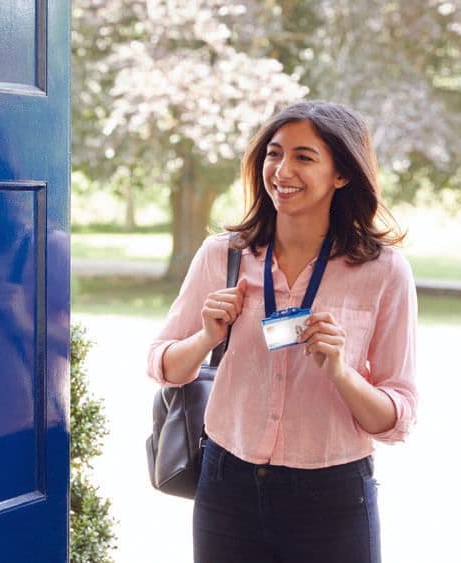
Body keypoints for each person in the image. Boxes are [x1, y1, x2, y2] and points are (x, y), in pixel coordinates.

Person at [147, 101, 418, 563]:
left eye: (304, 157)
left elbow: (397, 417)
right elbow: (163, 366)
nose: (282, 170)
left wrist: (340, 371)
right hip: (226, 487)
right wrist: (206, 337)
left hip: (332, 495)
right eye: (274, 154)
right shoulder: (223, 256)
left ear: (342, 174)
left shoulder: (384, 271)